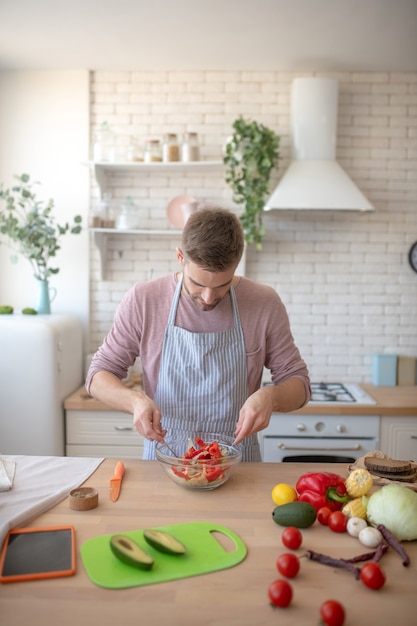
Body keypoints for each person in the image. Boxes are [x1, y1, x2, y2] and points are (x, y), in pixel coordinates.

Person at [86, 206, 310, 461]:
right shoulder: (144, 299)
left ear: (236, 265)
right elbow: (97, 376)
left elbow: (299, 384)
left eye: (222, 285)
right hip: (166, 460)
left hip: (237, 465)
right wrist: (134, 401)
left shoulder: (263, 303)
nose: (208, 298)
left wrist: (271, 397)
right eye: (198, 284)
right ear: (180, 257)